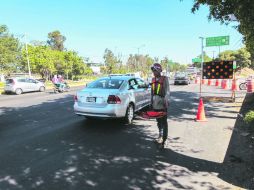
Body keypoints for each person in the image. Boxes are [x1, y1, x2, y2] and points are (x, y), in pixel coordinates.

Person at [150, 63, 170, 149]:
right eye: (153, 70)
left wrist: (166, 101)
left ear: (159, 70)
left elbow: (167, 91)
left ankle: (165, 140)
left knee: (164, 122)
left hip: (162, 103)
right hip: (155, 104)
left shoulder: (165, 79)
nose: (154, 72)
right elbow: (152, 92)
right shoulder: (153, 79)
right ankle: (160, 136)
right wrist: (151, 102)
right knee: (158, 121)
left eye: (155, 70)